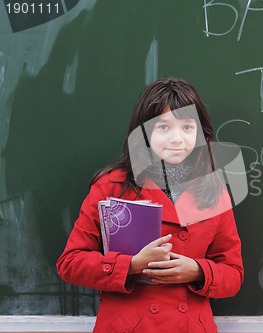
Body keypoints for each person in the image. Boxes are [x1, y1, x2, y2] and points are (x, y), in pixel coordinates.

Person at [56, 77, 244, 333]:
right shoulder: (112, 186)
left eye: (188, 128)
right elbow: (71, 263)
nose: (177, 139)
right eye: (164, 127)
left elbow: (233, 274)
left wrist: (198, 271)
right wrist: (131, 266)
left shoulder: (213, 190)